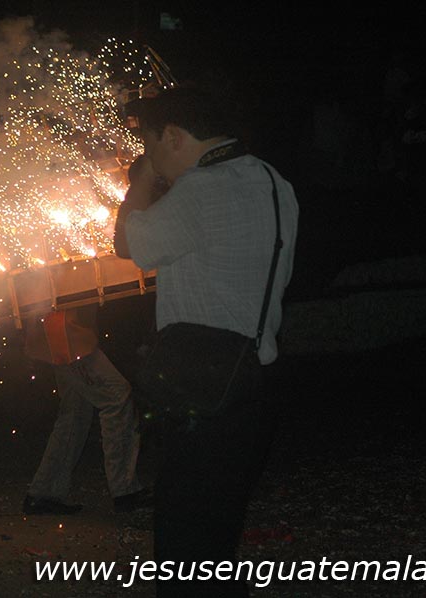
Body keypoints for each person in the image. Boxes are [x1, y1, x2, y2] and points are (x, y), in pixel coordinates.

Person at [114, 86, 299, 597]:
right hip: (253, 380)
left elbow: (127, 243)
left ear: (173, 136)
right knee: (219, 537)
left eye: (151, 146)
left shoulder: (198, 189)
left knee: (182, 542)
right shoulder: (274, 181)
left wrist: (142, 181)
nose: (152, 159)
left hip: (200, 389)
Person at [22, 303, 152, 514]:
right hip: (66, 336)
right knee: (117, 397)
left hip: (62, 333)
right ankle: (125, 491)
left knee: (75, 413)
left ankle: (44, 492)